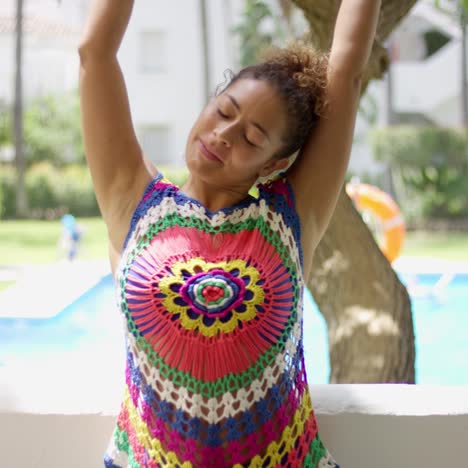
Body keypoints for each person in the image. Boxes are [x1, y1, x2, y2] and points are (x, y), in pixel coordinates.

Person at [79, 1, 381, 466]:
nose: (224, 134)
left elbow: (347, 69)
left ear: (275, 164)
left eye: (253, 138)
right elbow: (95, 52)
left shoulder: (290, 217)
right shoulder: (131, 199)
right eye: (224, 111)